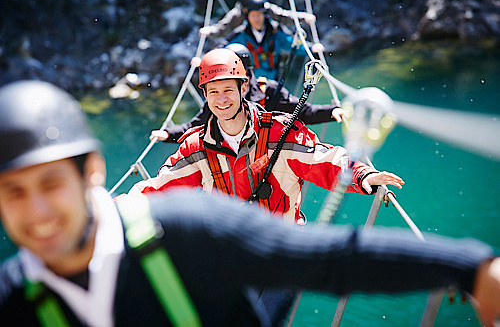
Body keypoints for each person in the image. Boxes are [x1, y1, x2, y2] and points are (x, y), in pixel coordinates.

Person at [0, 80, 499, 327]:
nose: (38, 211)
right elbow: (169, 175)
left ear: (92, 173)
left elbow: (329, 257)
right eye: (13, 191)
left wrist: (469, 267)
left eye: (51, 183)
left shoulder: (188, 231)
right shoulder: (11, 299)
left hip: (260, 234)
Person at [132, 48, 403, 225]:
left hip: (280, 249)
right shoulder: (197, 148)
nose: (222, 99)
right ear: (205, 96)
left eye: (228, 89)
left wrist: (362, 175)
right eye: (213, 92)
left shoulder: (279, 133)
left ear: (244, 87)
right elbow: (159, 187)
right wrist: (113, 211)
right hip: (229, 254)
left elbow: (323, 159)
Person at [151, 43, 343, 143]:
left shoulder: (267, 90)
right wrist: (168, 134)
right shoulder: (220, 97)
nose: (223, 96)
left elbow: (301, 112)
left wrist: (331, 112)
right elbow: (197, 125)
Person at [227, 0, 317, 80]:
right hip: (252, 83)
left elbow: (292, 44)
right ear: (248, 17)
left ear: (264, 15)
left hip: (273, 81)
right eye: (253, 15)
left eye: (259, 15)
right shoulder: (241, 35)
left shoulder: (275, 32)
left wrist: (311, 48)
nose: (256, 19)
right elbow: (226, 51)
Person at [199, 0, 316, 40]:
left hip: (267, 34)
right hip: (246, 36)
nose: (255, 17)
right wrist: (209, 30)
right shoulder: (238, 13)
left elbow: (285, 16)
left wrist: (303, 17)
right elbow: (223, 27)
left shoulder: (264, 7)